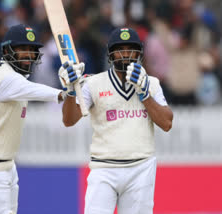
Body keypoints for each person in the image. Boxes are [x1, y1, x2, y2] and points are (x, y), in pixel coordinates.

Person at [0, 24, 83, 214]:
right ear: (7, 51)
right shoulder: (6, 78)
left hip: (5, 164)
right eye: (22, 49)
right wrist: (64, 91)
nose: (28, 54)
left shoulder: (17, 79)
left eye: (32, 50)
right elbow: (36, 91)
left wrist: (80, 84)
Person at [59, 27, 173, 214]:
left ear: (139, 53)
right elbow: (69, 120)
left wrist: (144, 94)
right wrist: (71, 91)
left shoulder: (151, 83)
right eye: (120, 49)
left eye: (131, 49)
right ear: (111, 53)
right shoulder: (93, 84)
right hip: (104, 168)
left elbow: (167, 123)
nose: (126, 54)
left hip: (141, 168)